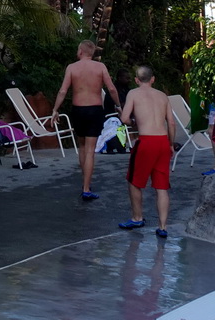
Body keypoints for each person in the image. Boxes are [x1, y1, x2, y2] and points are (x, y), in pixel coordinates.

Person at [51, 40, 120, 200]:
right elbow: (111, 88)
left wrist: (55, 109)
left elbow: (63, 90)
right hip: (95, 110)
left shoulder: (72, 67)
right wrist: (118, 105)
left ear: (81, 52)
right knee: (90, 150)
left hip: (78, 110)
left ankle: (85, 182)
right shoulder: (100, 67)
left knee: (82, 146)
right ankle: (87, 188)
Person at [118, 66, 174, 237]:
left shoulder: (133, 94)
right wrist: (171, 144)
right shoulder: (163, 96)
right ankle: (163, 227)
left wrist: (135, 122)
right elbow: (171, 123)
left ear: (136, 80)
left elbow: (124, 118)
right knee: (161, 186)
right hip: (163, 142)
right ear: (153, 79)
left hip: (146, 141)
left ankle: (137, 217)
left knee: (134, 181)